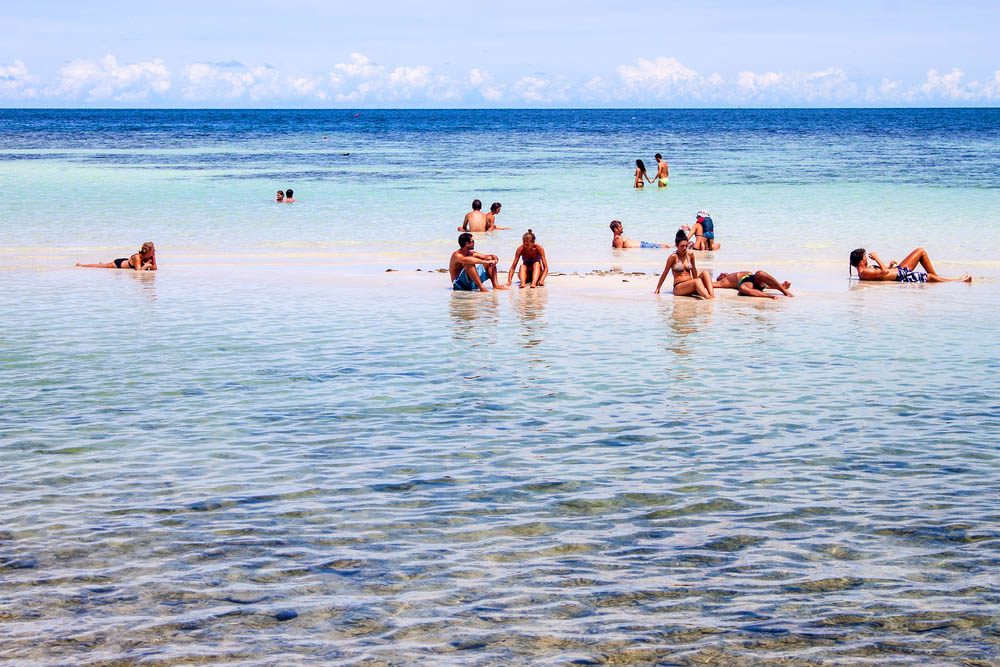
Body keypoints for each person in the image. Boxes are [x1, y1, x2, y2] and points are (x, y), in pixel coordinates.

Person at [849, 247, 971, 283]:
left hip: (899, 270)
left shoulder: (865, 271)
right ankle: (958, 280)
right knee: (929, 278)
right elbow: (884, 272)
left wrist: (890, 266)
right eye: (865, 257)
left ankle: (938, 277)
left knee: (920, 251)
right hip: (901, 276)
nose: (867, 258)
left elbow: (883, 273)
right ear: (861, 260)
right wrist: (876, 258)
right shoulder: (865, 272)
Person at [655, 230, 714, 298]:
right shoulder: (673, 257)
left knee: (705, 272)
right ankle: (707, 297)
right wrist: (658, 288)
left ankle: (712, 296)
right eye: (682, 246)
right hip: (679, 287)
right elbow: (665, 272)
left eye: (686, 245)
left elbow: (694, 270)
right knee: (697, 281)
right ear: (676, 245)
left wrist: (697, 283)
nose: (685, 248)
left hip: (691, 283)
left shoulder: (690, 255)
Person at [76, 242, 157, 271]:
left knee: (102, 265)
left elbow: (155, 268)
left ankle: (103, 263)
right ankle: (80, 265)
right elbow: (138, 272)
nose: (155, 251)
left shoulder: (152, 256)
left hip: (127, 261)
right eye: (153, 250)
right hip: (118, 264)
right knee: (99, 266)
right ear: (148, 251)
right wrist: (147, 265)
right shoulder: (137, 257)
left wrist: (149, 265)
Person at [714, 271, 793, 299]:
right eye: (720, 275)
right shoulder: (723, 282)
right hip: (745, 283)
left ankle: (784, 290)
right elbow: (712, 284)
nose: (722, 273)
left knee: (760, 273)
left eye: (722, 273)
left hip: (753, 278)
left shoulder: (731, 274)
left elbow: (766, 285)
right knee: (742, 288)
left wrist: (780, 285)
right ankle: (768, 296)